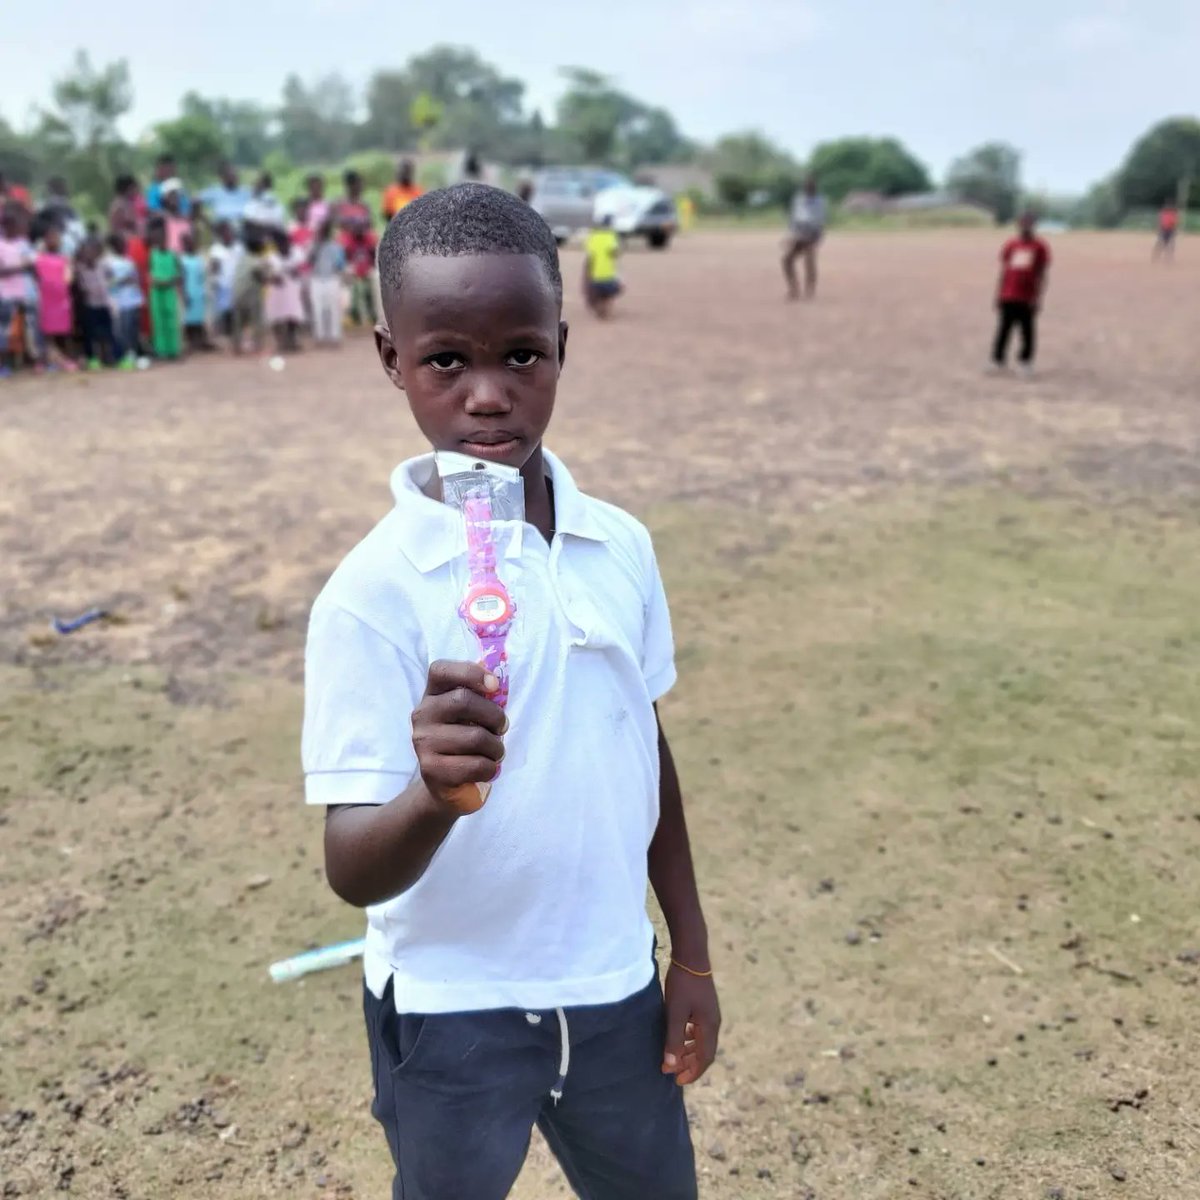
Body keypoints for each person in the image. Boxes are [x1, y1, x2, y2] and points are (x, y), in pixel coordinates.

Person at [302, 183, 717, 1200]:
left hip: (612, 984)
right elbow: (353, 869)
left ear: (562, 347)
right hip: (454, 1007)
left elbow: (640, 746)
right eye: (447, 359)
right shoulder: (371, 595)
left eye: (520, 355)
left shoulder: (618, 545)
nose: (488, 393)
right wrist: (429, 798)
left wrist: (691, 956)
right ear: (392, 358)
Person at [990, 209, 1051, 375]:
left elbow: (1042, 273)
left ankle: (1025, 362)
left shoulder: (1040, 247)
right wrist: (998, 294)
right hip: (1009, 294)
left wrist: (1038, 297)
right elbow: (1005, 270)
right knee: (1004, 329)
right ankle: (997, 360)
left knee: (1027, 331)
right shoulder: (1011, 245)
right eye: (1023, 222)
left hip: (1027, 296)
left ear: (1034, 225)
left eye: (1029, 223)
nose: (1026, 226)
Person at [0, 206, 38, 376]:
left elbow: (33, 264)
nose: (17, 228)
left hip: (22, 293)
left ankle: (22, 362)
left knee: (24, 329)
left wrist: (16, 267)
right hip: (4, 294)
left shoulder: (22, 243)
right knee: (4, 330)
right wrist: (21, 266)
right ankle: (3, 364)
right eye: (13, 225)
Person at [35, 223, 77, 371]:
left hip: (61, 300)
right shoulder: (38, 258)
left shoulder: (64, 259)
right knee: (47, 332)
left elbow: (69, 279)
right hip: (46, 300)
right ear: (44, 240)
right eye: (50, 237)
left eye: (56, 237)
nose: (53, 240)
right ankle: (45, 360)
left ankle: (66, 359)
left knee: (64, 332)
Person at [782, 175, 827, 300]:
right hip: (798, 232)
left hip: (811, 232)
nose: (809, 188)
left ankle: (809, 291)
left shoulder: (820, 201)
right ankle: (793, 288)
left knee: (809, 261)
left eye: (811, 185)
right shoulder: (798, 200)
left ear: (815, 187)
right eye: (807, 185)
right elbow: (793, 218)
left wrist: (818, 235)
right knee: (787, 260)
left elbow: (821, 219)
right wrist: (789, 235)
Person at [76, 237, 117, 368]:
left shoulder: (103, 265)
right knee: (92, 334)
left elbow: (111, 276)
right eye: (87, 252)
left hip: (104, 303)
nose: (90, 255)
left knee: (107, 332)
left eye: (93, 252)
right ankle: (94, 358)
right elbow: (81, 287)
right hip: (90, 305)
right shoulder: (80, 269)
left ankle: (108, 357)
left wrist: (107, 285)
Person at [105, 232, 144, 366]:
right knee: (123, 329)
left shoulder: (129, 260)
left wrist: (137, 291)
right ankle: (125, 355)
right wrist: (123, 280)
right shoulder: (109, 262)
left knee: (133, 329)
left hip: (133, 299)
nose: (124, 245)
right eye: (121, 243)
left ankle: (134, 353)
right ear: (114, 245)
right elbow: (109, 283)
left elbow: (136, 279)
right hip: (120, 302)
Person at [147, 218, 183, 361]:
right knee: (159, 322)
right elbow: (149, 272)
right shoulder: (152, 254)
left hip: (169, 291)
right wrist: (156, 281)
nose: (159, 240)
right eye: (156, 237)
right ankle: (161, 351)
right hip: (156, 292)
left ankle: (173, 350)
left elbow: (179, 273)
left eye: (162, 237)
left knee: (171, 321)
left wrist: (170, 281)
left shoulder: (173, 254)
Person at [264, 228, 305, 353]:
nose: (282, 246)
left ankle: (291, 340)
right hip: (277, 290)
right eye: (279, 244)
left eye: (284, 243)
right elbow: (266, 275)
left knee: (293, 315)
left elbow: (301, 269)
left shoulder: (297, 253)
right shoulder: (271, 257)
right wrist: (272, 278)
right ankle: (280, 342)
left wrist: (296, 272)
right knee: (276, 316)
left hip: (292, 288)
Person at [307, 219, 346, 347]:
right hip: (317, 279)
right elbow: (309, 260)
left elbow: (340, 264)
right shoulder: (313, 245)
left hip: (332, 279)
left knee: (333, 309)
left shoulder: (335, 246)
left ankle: (334, 337)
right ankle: (320, 337)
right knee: (318, 309)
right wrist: (317, 245)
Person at [230, 230, 266, 354]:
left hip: (236, 294)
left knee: (239, 322)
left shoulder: (243, 258)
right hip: (248, 295)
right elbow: (260, 276)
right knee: (256, 318)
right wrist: (267, 277)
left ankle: (236, 346)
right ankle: (257, 345)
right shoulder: (256, 260)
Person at [207, 220, 241, 343]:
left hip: (235, 282)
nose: (227, 234)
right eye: (224, 232)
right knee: (223, 309)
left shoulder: (238, 247)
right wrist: (213, 280)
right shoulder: (216, 249)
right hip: (222, 283)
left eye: (229, 231)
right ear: (220, 234)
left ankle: (233, 333)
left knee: (234, 310)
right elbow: (213, 267)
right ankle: (223, 333)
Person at [340, 217, 378, 328]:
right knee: (358, 289)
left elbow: (373, 256)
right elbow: (347, 259)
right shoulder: (349, 240)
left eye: (360, 229)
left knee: (373, 285)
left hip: (367, 270)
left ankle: (373, 315)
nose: (359, 231)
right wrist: (354, 270)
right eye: (356, 229)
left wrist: (369, 269)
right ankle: (357, 316)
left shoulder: (369, 238)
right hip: (354, 271)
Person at [583, 213, 622, 318]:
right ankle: (606, 311)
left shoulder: (593, 237)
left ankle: (600, 310)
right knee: (609, 295)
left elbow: (589, 256)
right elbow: (615, 253)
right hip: (608, 273)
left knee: (599, 294)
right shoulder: (611, 236)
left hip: (595, 274)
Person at [179, 233, 211, 352]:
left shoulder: (199, 258)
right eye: (187, 243)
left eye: (191, 242)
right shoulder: (182, 259)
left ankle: (201, 341)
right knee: (188, 319)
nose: (190, 245)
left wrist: (204, 290)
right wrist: (184, 293)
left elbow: (202, 276)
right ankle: (190, 342)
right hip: (189, 290)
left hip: (199, 291)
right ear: (184, 245)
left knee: (199, 317)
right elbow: (181, 279)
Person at [201, 162, 252, 230]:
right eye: (229, 176)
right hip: (221, 227)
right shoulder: (215, 191)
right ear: (223, 178)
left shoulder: (246, 192)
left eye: (233, 176)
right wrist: (205, 219)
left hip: (243, 226)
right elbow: (195, 201)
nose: (232, 178)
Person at [161, 182, 192, 254]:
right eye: (172, 196)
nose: (175, 199)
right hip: (168, 258)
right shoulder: (162, 218)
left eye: (176, 196)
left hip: (183, 258)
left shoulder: (185, 220)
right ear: (166, 199)